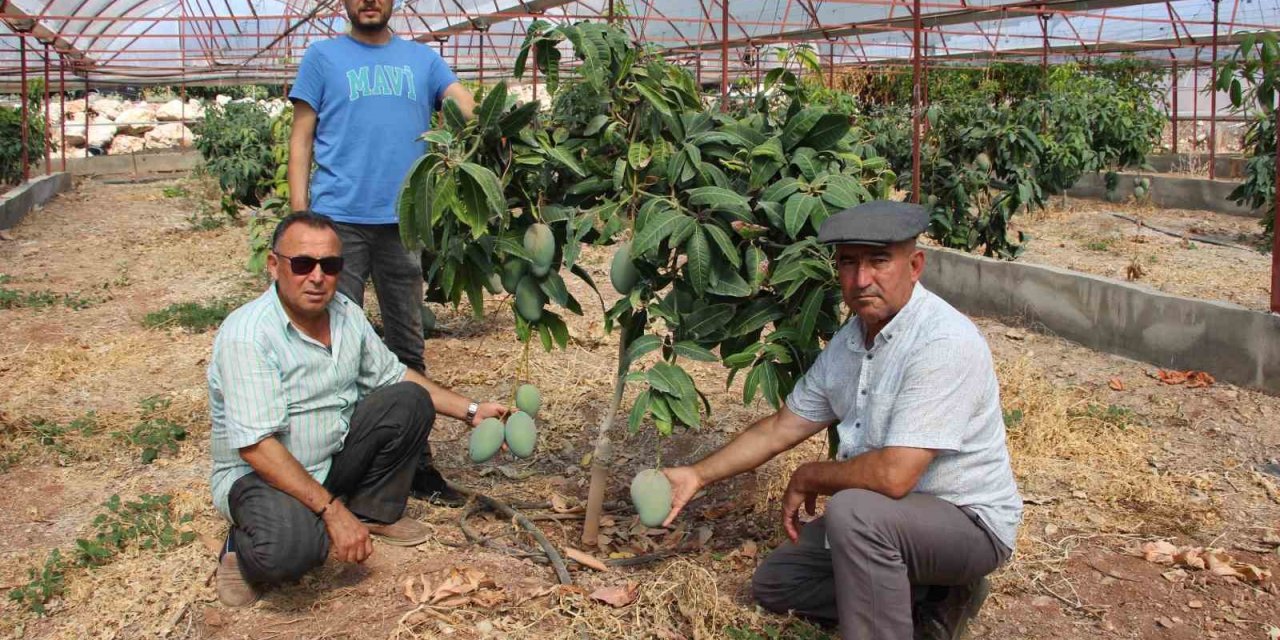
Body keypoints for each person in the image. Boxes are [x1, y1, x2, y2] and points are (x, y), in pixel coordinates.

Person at [661, 201, 1023, 640]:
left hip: (967, 524)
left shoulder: (943, 342)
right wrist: (696, 475)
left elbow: (894, 476)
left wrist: (810, 475)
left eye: (878, 261)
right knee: (778, 582)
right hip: (891, 520)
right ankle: (935, 597)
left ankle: (920, 601)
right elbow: (781, 428)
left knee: (853, 512)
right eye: (848, 263)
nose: (861, 280)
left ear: (915, 266)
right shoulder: (849, 343)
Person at [208, 212, 506, 607]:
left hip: (328, 458)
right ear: (273, 264)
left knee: (409, 399)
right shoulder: (248, 336)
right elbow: (258, 449)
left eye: (330, 265)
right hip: (262, 476)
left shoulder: (346, 314)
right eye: (302, 264)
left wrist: (471, 411)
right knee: (293, 554)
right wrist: (331, 511)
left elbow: (394, 375)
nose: (317, 277)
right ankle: (240, 550)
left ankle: (370, 511)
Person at [286, 0, 477, 506]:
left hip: (402, 224)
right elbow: (301, 138)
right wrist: (300, 221)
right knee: (330, 350)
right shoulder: (323, 57)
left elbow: (465, 105)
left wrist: (493, 122)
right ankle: (337, 469)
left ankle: (416, 465)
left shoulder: (423, 61)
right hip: (337, 227)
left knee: (407, 347)